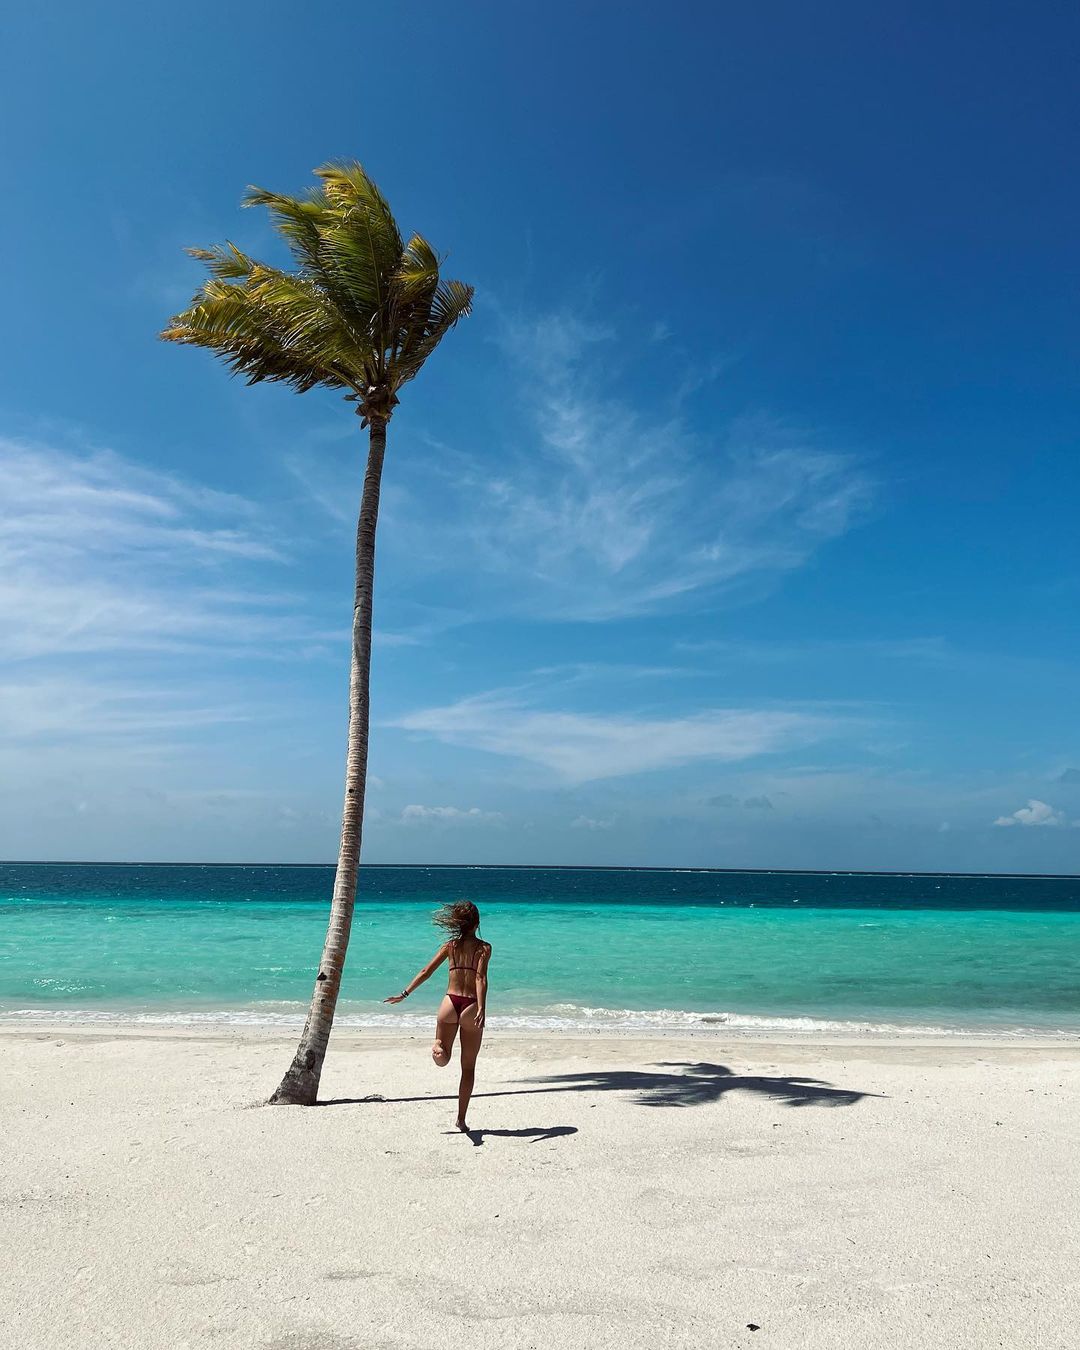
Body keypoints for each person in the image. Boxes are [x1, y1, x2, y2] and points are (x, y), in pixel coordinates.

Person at [384, 900, 491, 1131]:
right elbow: (480, 978)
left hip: (449, 1003)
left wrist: (404, 994)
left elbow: (426, 971)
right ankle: (461, 1119)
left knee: (444, 1060)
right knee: (468, 1068)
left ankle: (438, 1047)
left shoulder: (450, 946)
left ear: (458, 924)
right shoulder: (484, 948)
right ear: (477, 924)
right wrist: (482, 1008)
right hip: (471, 1005)